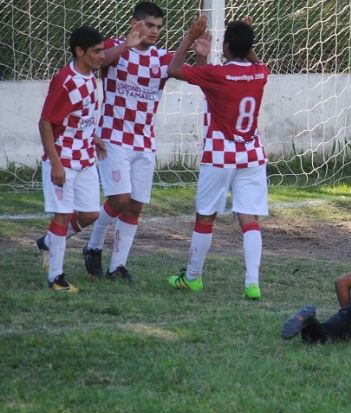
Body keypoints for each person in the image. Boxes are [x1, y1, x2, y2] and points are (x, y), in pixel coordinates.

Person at [78, 2, 208, 282]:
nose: (154, 31)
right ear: (135, 22)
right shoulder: (114, 46)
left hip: (145, 141)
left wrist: (200, 57)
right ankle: (93, 246)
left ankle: (117, 266)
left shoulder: (163, 58)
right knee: (120, 198)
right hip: (112, 137)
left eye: (159, 27)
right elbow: (99, 62)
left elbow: (193, 76)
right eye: (149, 25)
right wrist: (127, 44)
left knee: (134, 205)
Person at [166, 15, 270, 300]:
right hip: (251, 155)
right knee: (249, 219)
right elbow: (243, 64)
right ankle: (252, 283)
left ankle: (193, 278)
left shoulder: (219, 74)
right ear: (248, 46)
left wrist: (190, 37)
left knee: (205, 216)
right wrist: (244, 36)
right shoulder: (261, 73)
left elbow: (174, 69)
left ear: (224, 47)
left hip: (220, 155)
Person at [37, 26, 105, 292]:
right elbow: (45, 123)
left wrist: (93, 137)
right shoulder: (65, 81)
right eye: (96, 51)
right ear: (80, 52)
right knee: (63, 215)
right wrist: (55, 162)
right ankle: (56, 277)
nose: (101, 56)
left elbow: (79, 117)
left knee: (90, 213)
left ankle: (47, 243)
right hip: (63, 158)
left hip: (86, 157)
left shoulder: (91, 77)